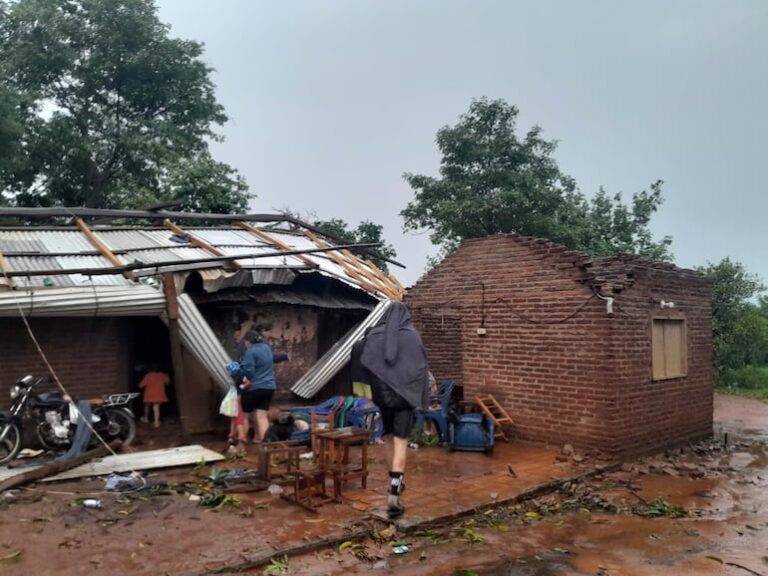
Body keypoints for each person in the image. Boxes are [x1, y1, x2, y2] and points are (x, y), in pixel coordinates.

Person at [354, 301, 429, 518]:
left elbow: (365, 364)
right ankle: (395, 493)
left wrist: (371, 393)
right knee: (401, 441)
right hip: (405, 398)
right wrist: (418, 393)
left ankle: (393, 480)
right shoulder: (412, 336)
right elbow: (420, 368)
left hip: (382, 397)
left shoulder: (374, 336)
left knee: (387, 436)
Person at [239, 328, 288, 443]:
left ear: (248, 341)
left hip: (254, 388)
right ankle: (266, 443)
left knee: (244, 415)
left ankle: (241, 444)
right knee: (261, 416)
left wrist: (241, 371)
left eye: (245, 342)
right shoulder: (266, 348)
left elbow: (249, 372)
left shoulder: (250, 351)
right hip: (269, 388)